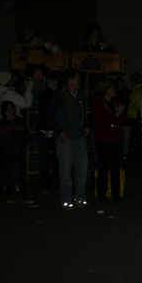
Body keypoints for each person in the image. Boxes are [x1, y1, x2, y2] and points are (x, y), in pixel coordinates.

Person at [46, 69, 89, 210]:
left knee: (82, 169)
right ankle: (66, 198)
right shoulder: (59, 96)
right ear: (70, 81)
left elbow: (81, 114)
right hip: (66, 138)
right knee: (65, 171)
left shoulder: (78, 96)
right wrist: (60, 131)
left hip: (78, 137)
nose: (79, 81)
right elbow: (49, 116)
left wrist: (86, 126)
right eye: (77, 79)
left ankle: (80, 196)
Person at [90, 79, 127, 201]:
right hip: (104, 140)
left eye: (114, 89)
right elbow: (101, 121)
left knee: (116, 167)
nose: (114, 91)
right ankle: (101, 194)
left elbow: (123, 119)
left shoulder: (116, 102)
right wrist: (116, 115)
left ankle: (116, 194)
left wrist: (118, 116)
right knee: (103, 167)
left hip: (117, 139)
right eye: (111, 89)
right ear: (105, 90)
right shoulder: (97, 103)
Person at [0, 100, 34, 205]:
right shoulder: (1, 123)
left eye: (11, 109)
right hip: (6, 152)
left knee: (22, 174)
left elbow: (26, 136)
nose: (9, 112)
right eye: (7, 110)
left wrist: (20, 145)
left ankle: (24, 196)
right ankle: (11, 196)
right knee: (9, 174)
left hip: (18, 151)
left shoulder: (19, 121)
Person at [36, 72, 60, 195]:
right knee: (44, 159)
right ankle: (45, 185)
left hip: (55, 130)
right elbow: (43, 113)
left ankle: (58, 184)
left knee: (57, 159)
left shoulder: (60, 95)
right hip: (44, 129)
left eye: (49, 80)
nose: (47, 82)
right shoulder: (44, 95)